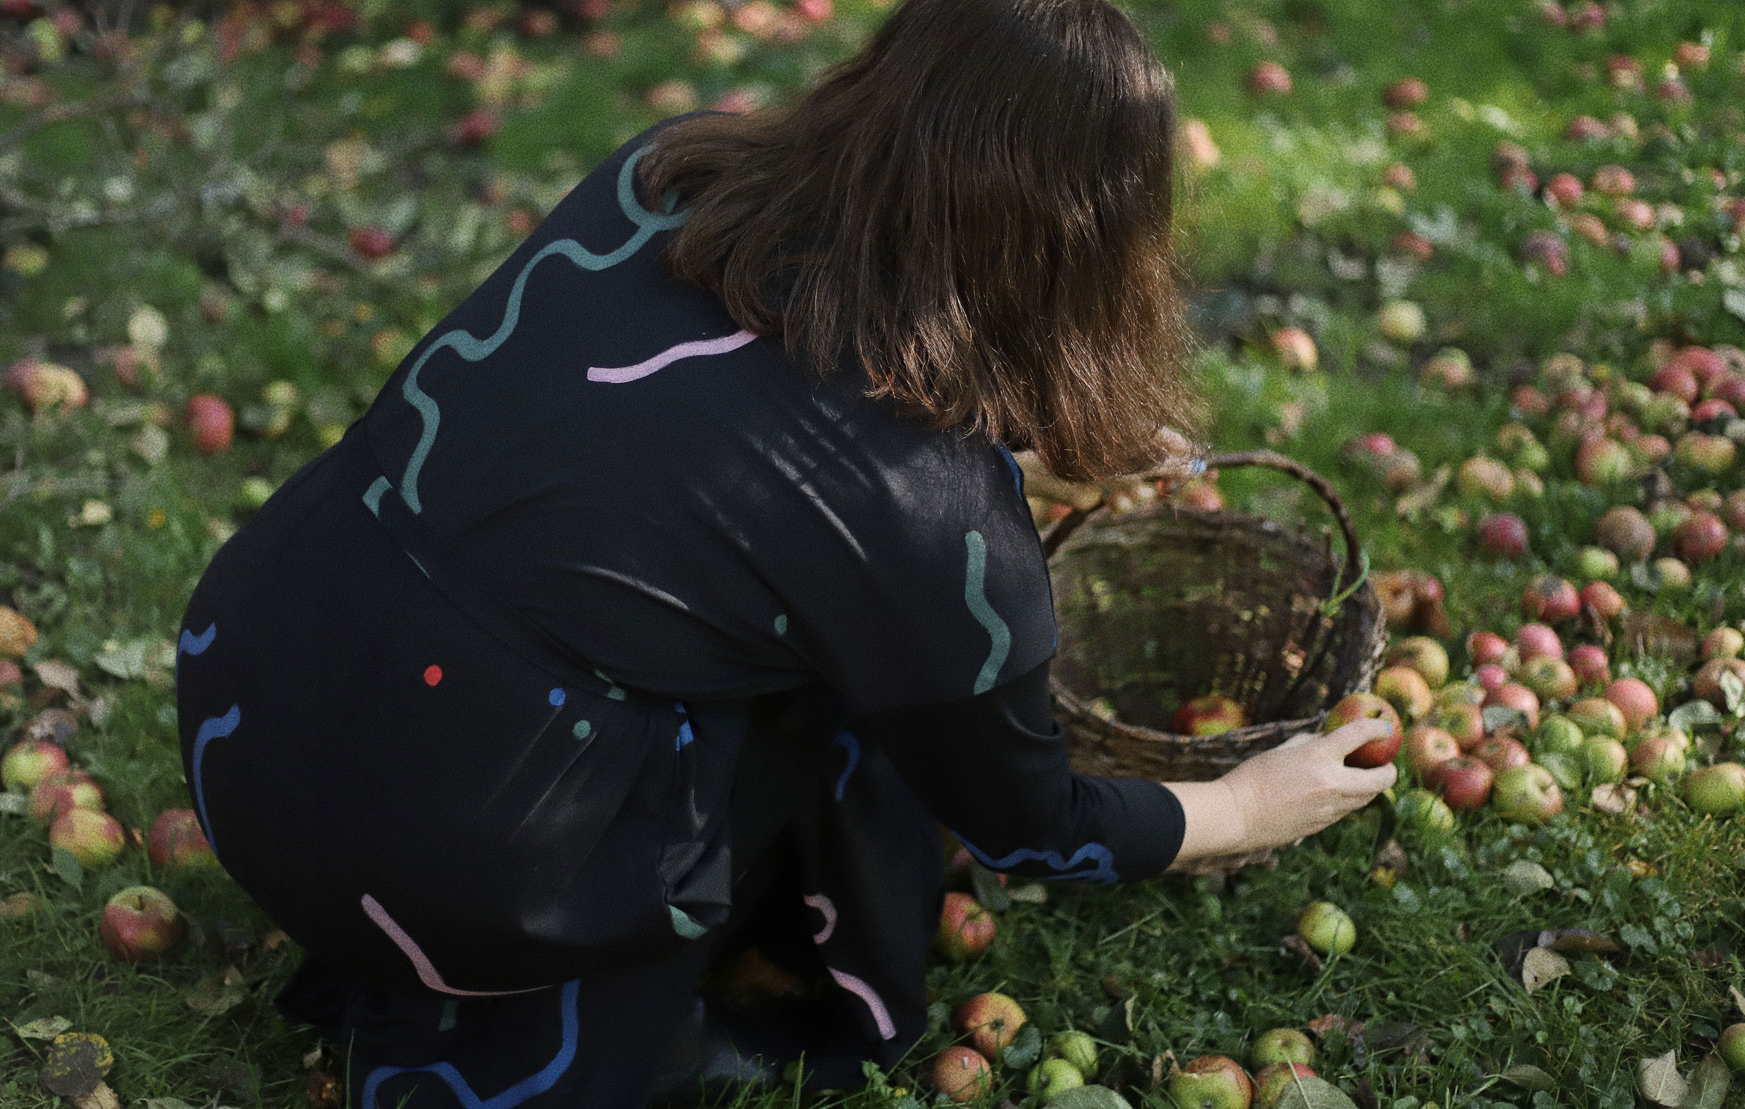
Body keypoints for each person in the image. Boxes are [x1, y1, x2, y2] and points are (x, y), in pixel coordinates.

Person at [172, 1, 1396, 1105]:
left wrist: (1009, 458)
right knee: (853, 695)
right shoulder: (931, 518)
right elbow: (1033, 822)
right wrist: (1244, 803)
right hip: (444, 861)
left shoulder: (668, 174)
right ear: (1087, 253)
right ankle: (747, 997)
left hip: (251, 692)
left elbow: (718, 440)